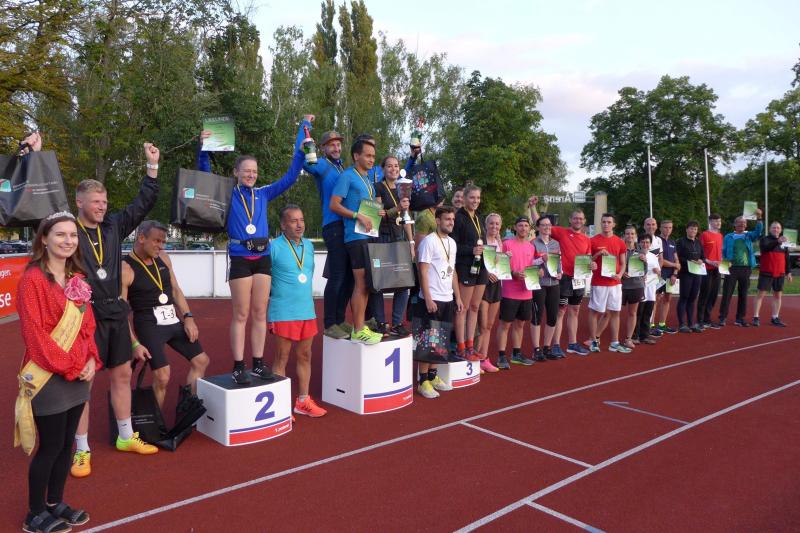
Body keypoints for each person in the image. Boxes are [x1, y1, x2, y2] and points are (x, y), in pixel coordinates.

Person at [52, 141, 160, 478]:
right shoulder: (68, 231)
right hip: (84, 316)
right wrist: (34, 158)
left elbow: (143, 203)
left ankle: (125, 436)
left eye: (104, 202)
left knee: (122, 375)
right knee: (82, 383)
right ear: (79, 203)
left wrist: (152, 167)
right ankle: (81, 449)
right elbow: (46, 200)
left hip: (115, 313)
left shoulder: (113, 226)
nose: (102, 207)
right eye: (96, 202)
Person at [199, 121, 307, 384]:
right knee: (241, 314)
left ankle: (258, 363)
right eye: (246, 171)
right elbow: (206, 177)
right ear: (236, 172)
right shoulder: (228, 193)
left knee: (260, 313)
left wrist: (301, 150)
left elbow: (290, 177)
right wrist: (203, 149)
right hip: (240, 257)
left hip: (262, 258)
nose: (251, 175)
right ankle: (239, 366)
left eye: (254, 171)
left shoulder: (263, 193)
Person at [17, 212, 100, 533]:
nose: (68, 240)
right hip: (47, 374)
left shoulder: (77, 277)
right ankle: (34, 513)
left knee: (67, 444)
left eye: (73, 235)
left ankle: (55, 502)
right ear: (44, 239)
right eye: (60, 234)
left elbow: (87, 325)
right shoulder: (33, 279)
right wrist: (72, 366)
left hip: (78, 373)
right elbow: (34, 335)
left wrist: (91, 358)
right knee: (50, 446)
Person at [121, 221, 209, 408]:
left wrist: (188, 317)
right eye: (157, 241)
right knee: (162, 376)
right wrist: (134, 343)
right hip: (148, 323)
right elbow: (121, 312)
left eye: (163, 242)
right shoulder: (126, 269)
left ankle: (186, 408)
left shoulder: (164, 258)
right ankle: (157, 421)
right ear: (141, 238)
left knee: (201, 361)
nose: (161, 246)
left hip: (171, 318)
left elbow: (176, 290)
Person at [296, 124, 354, 339]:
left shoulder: (342, 168)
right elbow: (305, 162)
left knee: (348, 277)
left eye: (338, 144)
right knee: (337, 275)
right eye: (331, 145)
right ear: (322, 148)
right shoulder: (321, 164)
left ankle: (340, 319)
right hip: (333, 226)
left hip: (347, 226)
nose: (336, 148)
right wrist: (304, 133)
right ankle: (330, 323)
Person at [269, 205, 327, 417]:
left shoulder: (309, 246)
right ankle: (279, 407)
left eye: (301, 220)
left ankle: (303, 401)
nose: (299, 225)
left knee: (305, 355)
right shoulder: (273, 247)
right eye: (293, 221)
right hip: (283, 311)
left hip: (307, 311)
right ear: (283, 225)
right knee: (281, 357)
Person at [330, 139, 385, 344]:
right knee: (361, 284)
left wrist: (377, 212)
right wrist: (357, 216)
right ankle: (358, 329)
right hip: (355, 237)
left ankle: (360, 327)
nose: (371, 159)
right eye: (368, 155)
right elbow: (334, 205)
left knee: (367, 284)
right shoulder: (347, 176)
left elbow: (368, 206)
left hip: (369, 235)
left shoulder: (368, 180)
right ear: (356, 156)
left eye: (373, 156)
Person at [528, 197, 593, 356]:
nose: (578, 221)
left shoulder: (587, 239)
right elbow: (540, 223)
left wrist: (591, 265)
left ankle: (572, 343)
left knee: (575, 310)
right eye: (575, 218)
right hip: (562, 278)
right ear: (570, 220)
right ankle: (555, 344)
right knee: (560, 311)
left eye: (580, 219)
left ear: (584, 221)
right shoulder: (561, 232)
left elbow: (588, 258)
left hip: (578, 279)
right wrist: (533, 207)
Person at [415, 206, 463, 398]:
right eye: (447, 219)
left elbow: (452, 271)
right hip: (432, 298)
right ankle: (423, 381)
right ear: (437, 221)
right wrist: (428, 297)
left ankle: (433, 376)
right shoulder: (429, 241)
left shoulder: (452, 243)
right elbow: (423, 271)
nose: (451, 222)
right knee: (428, 341)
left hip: (447, 298)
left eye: (452, 219)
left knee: (440, 341)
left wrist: (457, 296)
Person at [372, 155, 415, 336]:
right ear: (383, 169)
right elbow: (377, 215)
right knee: (379, 283)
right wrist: (396, 208)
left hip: (399, 238)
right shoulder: (378, 187)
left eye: (396, 166)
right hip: (383, 237)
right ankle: (381, 322)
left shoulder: (403, 187)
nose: (393, 169)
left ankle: (397, 323)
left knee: (403, 282)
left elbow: (406, 217)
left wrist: (411, 242)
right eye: (389, 166)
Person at [452, 185, 488, 361]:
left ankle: (470, 345)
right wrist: (471, 250)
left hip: (481, 267)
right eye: (472, 197)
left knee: (475, 307)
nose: (476, 201)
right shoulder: (459, 218)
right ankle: (460, 347)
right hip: (465, 267)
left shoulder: (479, 218)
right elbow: (453, 245)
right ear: (465, 198)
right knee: (463, 308)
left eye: (478, 198)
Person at [495, 217, 536, 368]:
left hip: (526, 292)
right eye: (520, 225)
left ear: (529, 228)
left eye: (526, 226)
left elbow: (531, 267)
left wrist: (538, 273)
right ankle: (501, 356)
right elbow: (499, 266)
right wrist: (513, 274)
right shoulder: (507, 244)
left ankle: (516, 354)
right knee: (505, 325)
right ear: (515, 227)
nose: (523, 228)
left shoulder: (531, 247)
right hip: (509, 292)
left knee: (520, 324)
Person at [587, 213, 630, 353]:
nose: (606, 224)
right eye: (604, 222)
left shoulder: (620, 242)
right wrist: (598, 254)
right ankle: (593, 341)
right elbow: (587, 261)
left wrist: (620, 274)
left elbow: (623, 263)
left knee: (615, 312)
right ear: (601, 223)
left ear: (614, 224)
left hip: (615, 283)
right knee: (594, 312)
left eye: (609, 222)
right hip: (599, 283)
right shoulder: (593, 240)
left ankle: (614, 342)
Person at [718, 209, 763, 327]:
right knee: (727, 293)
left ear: (746, 225)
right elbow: (723, 252)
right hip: (731, 268)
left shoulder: (749, 236)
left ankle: (740, 318)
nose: (742, 224)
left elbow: (758, 232)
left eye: (744, 223)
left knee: (743, 294)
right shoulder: (728, 237)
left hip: (746, 269)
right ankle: (722, 317)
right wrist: (724, 266)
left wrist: (759, 218)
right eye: (739, 222)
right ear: (735, 224)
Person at [530, 216, 563, 360]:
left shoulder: (556, 243)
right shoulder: (533, 243)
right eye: (543, 225)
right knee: (537, 316)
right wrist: (540, 260)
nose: (547, 227)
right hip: (539, 284)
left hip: (554, 284)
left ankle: (547, 347)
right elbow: (529, 262)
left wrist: (560, 272)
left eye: (549, 225)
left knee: (553, 316)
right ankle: (536, 349)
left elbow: (558, 261)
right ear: (538, 227)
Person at [752, 222, 792, 327]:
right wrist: (778, 241)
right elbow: (765, 248)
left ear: (781, 230)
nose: (776, 229)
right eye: (774, 228)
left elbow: (787, 258)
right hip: (766, 272)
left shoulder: (785, 242)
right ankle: (755, 317)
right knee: (760, 295)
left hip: (780, 272)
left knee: (778, 295)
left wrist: (788, 272)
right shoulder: (765, 239)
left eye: (778, 228)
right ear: (770, 229)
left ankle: (775, 317)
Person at [477, 213, 502, 373]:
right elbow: (476, 262)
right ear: (486, 225)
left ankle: (484, 358)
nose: (494, 226)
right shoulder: (481, 241)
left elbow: (500, 264)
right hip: (483, 284)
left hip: (497, 284)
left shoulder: (499, 242)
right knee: (482, 324)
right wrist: (486, 273)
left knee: (490, 325)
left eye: (497, 224)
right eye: (491, 223)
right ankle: (476, 358)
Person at [675, 221, 707, 333]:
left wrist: (701, 260)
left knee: (693, 298)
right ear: (686, 229)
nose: (693, 231)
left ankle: (691, 323)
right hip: (685, 274)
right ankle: (682, 324)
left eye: (695, 229)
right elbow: (677, 257)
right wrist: (689, 261)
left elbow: (703, 256)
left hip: (697, 274)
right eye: (691, 228)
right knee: (684, 297)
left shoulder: (698, 242)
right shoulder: (681, 242)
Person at [620, 226, 647, 349]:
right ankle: (603, 338)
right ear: (624, 235)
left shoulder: (641, 250)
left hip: (636, 285)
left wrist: (644, 261)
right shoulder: (620, 248)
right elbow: (614, 265)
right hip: (621, 285)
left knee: (632, 313)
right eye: (627, 234)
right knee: (612, 313)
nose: (630, 236)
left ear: (635, 235)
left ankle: (628, 339)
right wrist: (621, 273)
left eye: (632, 234)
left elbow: (644, 271)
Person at [653, 219, 679, 335]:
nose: (667, 229)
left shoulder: (673, 242)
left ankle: (662, 324)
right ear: (660, 228)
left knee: (668, 298)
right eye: (665, 227)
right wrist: (675, 265)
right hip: (659, 275)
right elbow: (661, 261)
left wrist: (675, 273)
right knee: (655, 299)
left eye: (670, 227)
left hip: (671, 276)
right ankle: (651, 325)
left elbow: (677, 259)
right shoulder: (657, 241)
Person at [697, 213, 723, 329]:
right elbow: (700, 252)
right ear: (710, 222)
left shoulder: (720, 236)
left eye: (719, 221)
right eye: (716, 221)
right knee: (705, 294)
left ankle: (707, 319)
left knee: (713, 295)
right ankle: (700, 320)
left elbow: (721, 252)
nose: (718, 223)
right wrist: (709, 261)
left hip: (717, 270)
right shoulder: (704, 235)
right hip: (706, 269)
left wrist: (723, 262)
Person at [634, 234, 661, 345]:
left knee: (648, 313)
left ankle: (644, 335)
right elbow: (633, 271)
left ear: (650, 244)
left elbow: (659, 272)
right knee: (639, 313)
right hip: (640, 288)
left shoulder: (653, 256)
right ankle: (635, 335)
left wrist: (657, 271)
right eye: (643, 242)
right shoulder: (635, 255)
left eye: (647, 242)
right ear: (639, 243)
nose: (645, 244)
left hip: (651, 289)